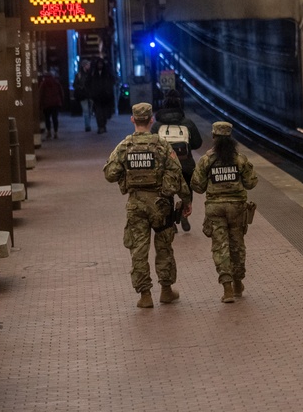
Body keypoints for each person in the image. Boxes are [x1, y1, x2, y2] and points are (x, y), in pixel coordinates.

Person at [103, 103, 193, 309]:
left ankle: (145, 295)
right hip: (161, 205)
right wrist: (186, 200)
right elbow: (177, 175)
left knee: (138, 250)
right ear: (151, 120)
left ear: (133, 120)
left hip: (136, 206)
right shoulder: (162, 145)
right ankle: (166, 291)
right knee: (164, 248)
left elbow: (109, 174)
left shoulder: (124, 146)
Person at [191, 121, 258, 303]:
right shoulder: (240, 159)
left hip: (215, 208)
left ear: (213, 137)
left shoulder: (207, 159)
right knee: (237, 245)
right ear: (230, 137)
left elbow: (197, 186)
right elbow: (251, 182)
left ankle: (227, 289)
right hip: (237, 208)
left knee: (220, 247)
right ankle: (238, 283)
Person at [150, 89, 203, 232]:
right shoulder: (188, 123)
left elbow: (152, 146)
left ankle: (171, 220)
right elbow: (198, 143)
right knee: (187, 188)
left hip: (165, 166)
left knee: (167, 192)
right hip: (185, 164)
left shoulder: (157, 125)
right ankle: (185, 213)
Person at [89, 58, 115, 134]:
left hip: (105, 96)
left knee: (104, 113)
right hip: (97, 97)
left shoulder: (106, 73)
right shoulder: (94, 74)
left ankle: (103, 125)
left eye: (101, 64)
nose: (100, 65)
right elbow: (89, 82)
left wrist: (108, 91)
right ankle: (100, 126)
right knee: (98, 113)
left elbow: (112, 81)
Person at [38, 67, 65, 139]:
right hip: (55, 103)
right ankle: (56, 133)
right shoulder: (56, 82)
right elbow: (61, 92)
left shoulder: (43, 84)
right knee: (55, 118)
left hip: (46, 104)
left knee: (47, 118)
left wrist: (40, 104)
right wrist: (61, 101)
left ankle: (49, 132)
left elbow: (41, 94)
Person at [73, 59, 93, 132]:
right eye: (88, 65)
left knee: (89, 111)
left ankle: (88, 124)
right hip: (83, 95)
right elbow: (75, 84)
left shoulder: (90, 74)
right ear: (84, 66)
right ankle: (87, 126)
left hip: (90, 95)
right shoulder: (79, 75)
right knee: (86, 111)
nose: (89, 66)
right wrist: (81, 88)